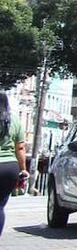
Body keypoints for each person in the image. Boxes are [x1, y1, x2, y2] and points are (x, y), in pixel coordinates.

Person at [0, 93, 28, 240]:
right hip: (9, 168)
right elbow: (20, 148)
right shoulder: (14, 120)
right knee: (0, 207)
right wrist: (23, 169)